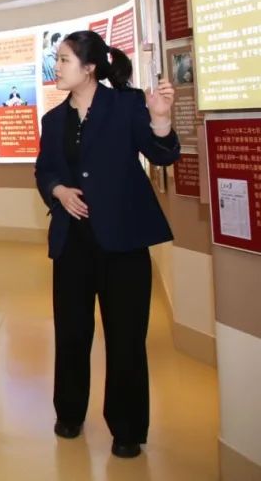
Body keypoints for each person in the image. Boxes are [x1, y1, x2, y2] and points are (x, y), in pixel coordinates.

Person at [34, 30, 179, 460]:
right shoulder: (53, 120)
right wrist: (58, 191)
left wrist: (160, 119)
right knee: (72, 332)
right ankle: (70, 412)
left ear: (90, 67)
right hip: (72, 245)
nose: (57, 67)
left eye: (64, 60)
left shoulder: (127, 105)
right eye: (57, 60)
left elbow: (162, 153)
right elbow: (44, 170)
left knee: (126, 338)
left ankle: (127, 428)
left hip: (123, 243)